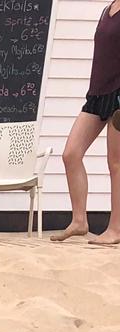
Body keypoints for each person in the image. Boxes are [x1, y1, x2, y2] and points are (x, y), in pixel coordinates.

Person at [52, 0, 120, 243]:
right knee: (71, 154)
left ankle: (116, 229)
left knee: (116, 163)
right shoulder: (108, 9)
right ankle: (79, 221)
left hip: (119, 95)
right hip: (97, 94)